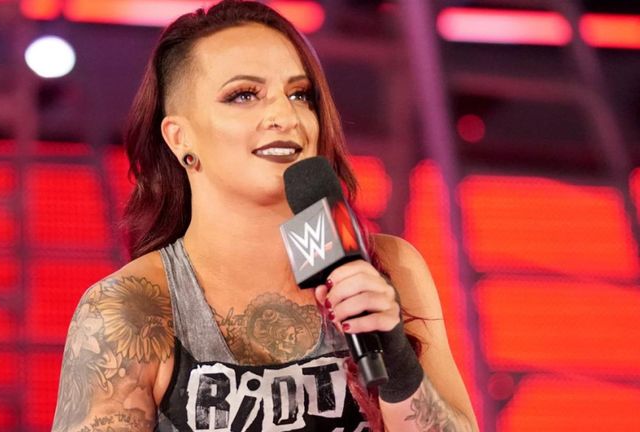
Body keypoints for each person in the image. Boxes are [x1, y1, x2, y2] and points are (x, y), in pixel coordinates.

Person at [51, 1, 478, 431]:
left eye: (299, 95)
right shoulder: (130, 309)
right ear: (180, 138)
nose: (284, 116)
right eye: (243, 95)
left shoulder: (390, 268)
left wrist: (397, 360)